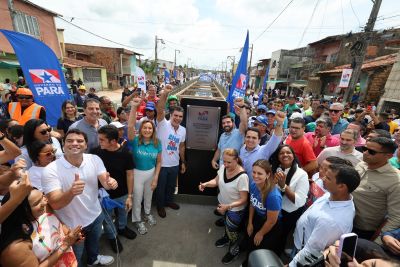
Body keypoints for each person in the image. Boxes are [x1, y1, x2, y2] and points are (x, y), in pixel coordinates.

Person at [41, 129, 118, 266]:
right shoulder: (50, 170)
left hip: (96, 215)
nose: (75, 143)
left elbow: (105, 182)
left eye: (79, 141)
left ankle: (93, 260)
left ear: (86, 145)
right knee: (76, 256)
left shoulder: (94, 159)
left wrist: (111, 182)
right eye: (70, 141)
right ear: (63, 145)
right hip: (72, 225)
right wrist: (71, 192)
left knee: (94, 244)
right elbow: (55, 204)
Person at [290, 164, 361, 267]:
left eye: (328, 178)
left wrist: (290, 265)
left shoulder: (332, 222)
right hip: (299, 241)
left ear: (341, 186)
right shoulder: (333, 193)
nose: (322, 178)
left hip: (301, 253)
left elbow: (310, 251)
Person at [0, 187, 82, 267]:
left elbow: (57, 224)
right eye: (37, 203)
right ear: (23, 211)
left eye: (42, 195)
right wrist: (66, 244)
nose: (45, 202)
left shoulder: (43, 209)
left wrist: (68, 234)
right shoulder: (16, 248)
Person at [199, 149, 249, 265]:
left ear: (236, 160)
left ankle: (233, 251)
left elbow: (244, 199)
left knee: (233, 233)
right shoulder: (223, 167)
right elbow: (216, 181)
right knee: (227, 226)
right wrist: (206, 184)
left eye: (229, 162)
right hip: (223, 206)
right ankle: (226, 238)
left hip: (235, 211)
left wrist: (228, 206)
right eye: (224, 161)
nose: (225, 164)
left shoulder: (243, 177)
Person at [91, 125, 136, 253]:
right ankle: (113, 236)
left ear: (113, 141)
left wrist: (129, 196)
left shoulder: (126, 154)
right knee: (108, 218)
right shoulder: (95, 152)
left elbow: (130, 174)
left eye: (102, 140)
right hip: (104, 194)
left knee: (124, 212)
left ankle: (122, 228)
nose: (99, 142)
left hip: (122, 193)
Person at [352, 137, 400, 240]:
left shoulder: (395, 180)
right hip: (343, 219)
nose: (365, 153)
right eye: (364, 148)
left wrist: (377, 242)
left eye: (372, 152)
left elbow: (396, 217)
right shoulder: (361, 165)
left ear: (388, 156)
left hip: (363, 231)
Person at [128, 98, 162, 234]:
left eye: (150, 128)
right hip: (137, 174)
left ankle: (147, 213)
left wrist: (155, 178)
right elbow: (130, 127)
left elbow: (159, 162)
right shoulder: (135, 141)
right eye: (145, 128)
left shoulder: (157, 143)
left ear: (153, 130)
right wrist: (134, 108)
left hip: (151, 172)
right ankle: (137, 220)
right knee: (137, 198)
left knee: (149, 196)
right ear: (141, 129)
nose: (147, 130)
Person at [270, 145, 310, 255]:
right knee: (272, 233)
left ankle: (276, 256)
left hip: (289, 213)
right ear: (277, 157)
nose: (285, 155)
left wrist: (284, 186)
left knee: (280, 236)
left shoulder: (301, 174)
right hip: (274, 209)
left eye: (288, 152)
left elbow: (299, 202)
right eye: (281, 153)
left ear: (293, 156)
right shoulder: (275, 168)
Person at [155, 84, 186, 218]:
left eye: (180, 116)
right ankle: (160, 206)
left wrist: (183, 161)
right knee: (160, 188)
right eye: (176, 115)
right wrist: (165, 93)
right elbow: (160, 108)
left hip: (174, 164)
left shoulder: (183, 130)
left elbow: (181, 146)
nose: (178, 118)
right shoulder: (163, 124)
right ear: (171, 115)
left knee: (171, 186)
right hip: (161, 164)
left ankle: (169, 202)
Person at [243, 160, 282, 266]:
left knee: (260, 248)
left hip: (270, 226)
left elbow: (271, 221)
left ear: (268, 175)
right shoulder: (253, 184)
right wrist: (250, 222)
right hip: (258, 218)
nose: (255, 176)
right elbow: (252, 203)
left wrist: (261, 233)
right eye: (254, 172)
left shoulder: (273, 196)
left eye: (260, 173)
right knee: (250, 242)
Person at [239, 111, 285, 180]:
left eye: (254, 138)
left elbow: (275, 138)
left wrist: (279, 123)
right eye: (248, 137)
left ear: (259, 141)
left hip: (256, 189)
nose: (250, 140)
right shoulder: (242, 148)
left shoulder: (263, 150)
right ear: (244, 138)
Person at [211, 105, 247, 169]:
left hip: (233, 169)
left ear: (233, 123)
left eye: (228, 122)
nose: (226, 124)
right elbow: (219, 150)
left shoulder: (239, 133)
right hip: (221, 169)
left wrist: (242, 108)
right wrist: (214, 160)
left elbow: (244, 123)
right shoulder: (222, 136)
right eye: (223, 123)